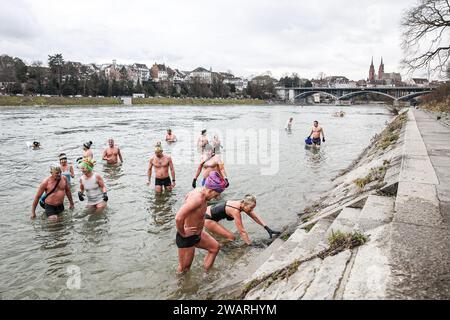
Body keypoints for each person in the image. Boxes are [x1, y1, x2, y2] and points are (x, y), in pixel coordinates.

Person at [175, 171, 227, 273]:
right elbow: (178, 217)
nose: (216, 197)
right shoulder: (197, 198)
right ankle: (180, 287)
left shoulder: (200, 191)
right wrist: (183, 233)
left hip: (198, 234)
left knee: (215, 248)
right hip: (187, 237)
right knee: (184, 270)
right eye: (217, 194)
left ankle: (206, 275)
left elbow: (187, 199)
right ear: (211, 190)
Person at [204, 194, 281, 245]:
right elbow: (242, 231)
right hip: (207, 218)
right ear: (244, 204)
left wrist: (267, 228)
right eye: (251, 208)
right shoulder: (235, 210)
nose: (252, 210)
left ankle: (217, 242)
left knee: (218, 236)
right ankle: (218, 246)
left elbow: (255, 217)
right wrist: (250, 244)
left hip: (210, 214)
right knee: (231, 237)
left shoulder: (242, 204)